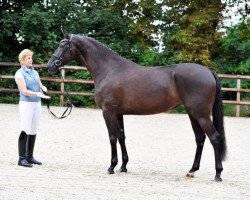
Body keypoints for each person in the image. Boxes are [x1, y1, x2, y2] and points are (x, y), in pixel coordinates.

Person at [15, 49, 50, 167]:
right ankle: (21, 158)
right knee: (26, 128)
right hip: (26, 104)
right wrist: (36, 94)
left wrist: (42, 88)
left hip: (36, 104)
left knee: (34, 129)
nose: (31, 60)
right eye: (28, 58)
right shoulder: (19, 74)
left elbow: (39, 85)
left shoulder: (35, 73)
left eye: (31, 58)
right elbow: (24, 91)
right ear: (22, 60)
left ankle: (29, 156)